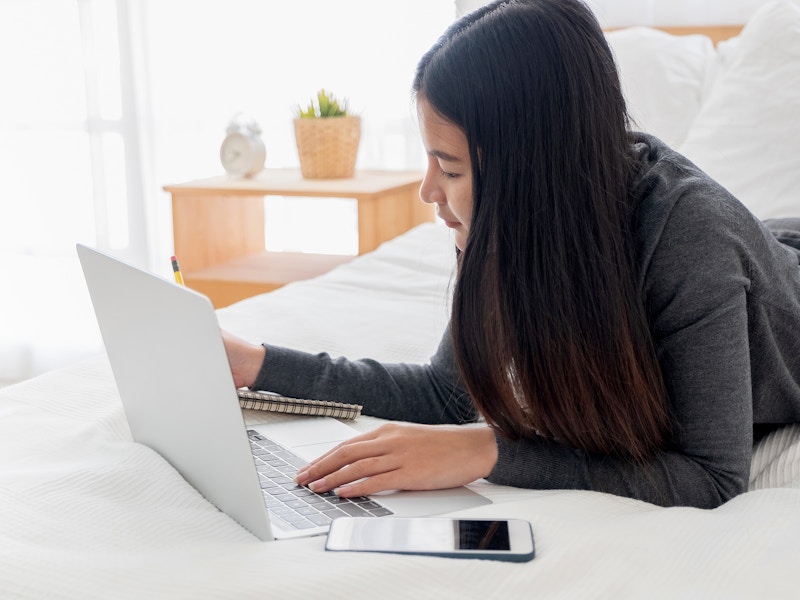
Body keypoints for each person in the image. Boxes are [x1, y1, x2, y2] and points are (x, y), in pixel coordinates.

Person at [223, 0, 800, 509]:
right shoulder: (521, 225)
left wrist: (489, 450)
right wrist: (259, 363)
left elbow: (712, 479)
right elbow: (440, 394)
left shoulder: (691, 240)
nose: (428, 192)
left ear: (528, 171)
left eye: (449, 168)